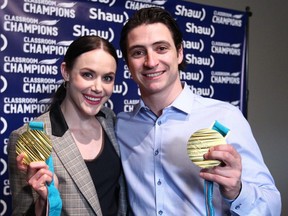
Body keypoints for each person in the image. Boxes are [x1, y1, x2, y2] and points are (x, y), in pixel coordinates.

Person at [115, 7, 281, 215]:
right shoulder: (121, 127)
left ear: (180, 53)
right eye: (138, 52)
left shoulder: (224, 117)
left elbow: (272, 206)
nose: (151, 62)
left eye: (161, 48)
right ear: (128, 65)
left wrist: (236, 191)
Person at [8, 35, 128, 216]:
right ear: (66, 72)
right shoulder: (31, 137)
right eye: (88, 74)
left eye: (107, 78)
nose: (98, 87)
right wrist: (46, 200)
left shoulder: (111, 121)